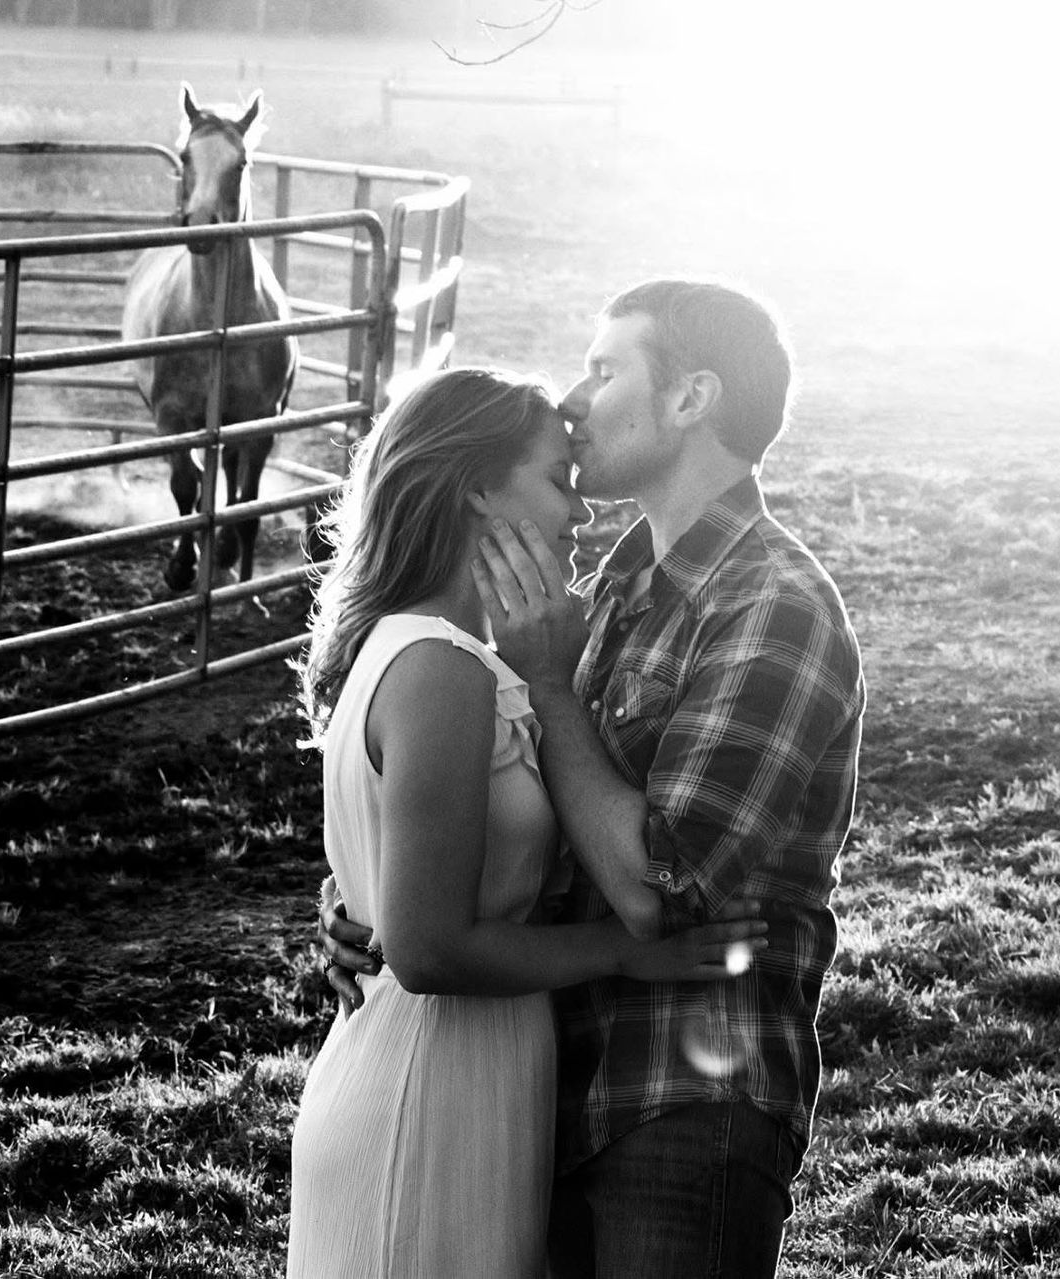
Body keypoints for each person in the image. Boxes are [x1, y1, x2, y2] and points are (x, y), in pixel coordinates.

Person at [323, 280, 866, 1277]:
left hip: (681, 1102)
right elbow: (517, 818)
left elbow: (661, 888)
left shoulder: (773, 606)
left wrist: (548, 686)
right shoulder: (606, 593)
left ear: (692, 398)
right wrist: (375, 899)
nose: (576, 399)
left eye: (608, 368)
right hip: (536, 1092)